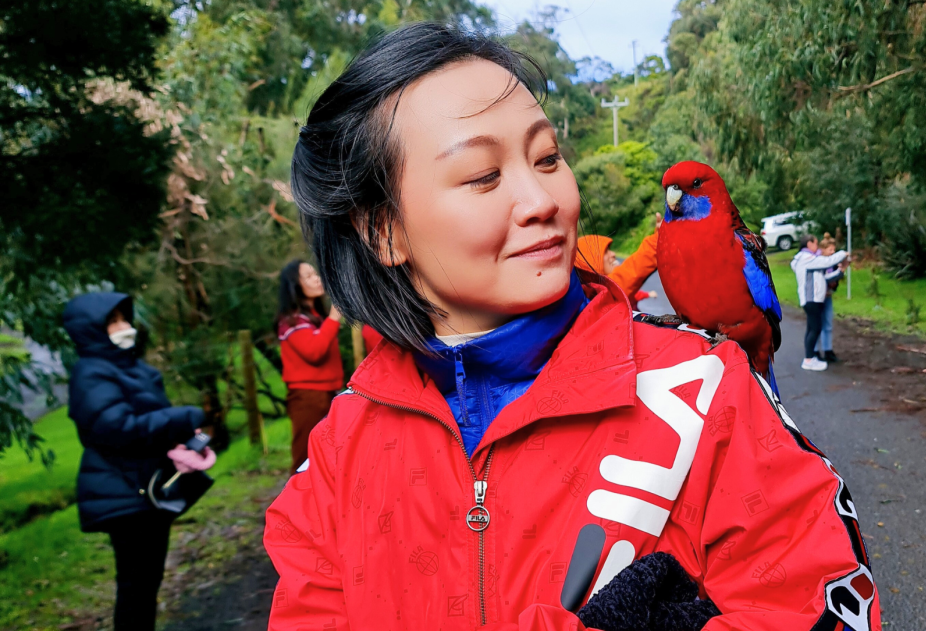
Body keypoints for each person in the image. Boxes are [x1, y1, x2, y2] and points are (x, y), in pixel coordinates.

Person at [265, 23, 881, 631]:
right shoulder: (340, 448)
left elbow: (817, 594)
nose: (544, 200)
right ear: (383, 231)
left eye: (548, 158)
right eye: (483, 175)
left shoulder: (708, 393)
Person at [63, 292, 216, 631]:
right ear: (91, 329)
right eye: (112, 321)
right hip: (124, 492)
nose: (124, 327)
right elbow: (116, 428)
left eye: (124, 318)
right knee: (136, 588)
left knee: (146, 584)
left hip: (143, 489)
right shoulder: (92, 373)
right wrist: (182, 417)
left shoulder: (125, 367)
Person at [276, 259, 346, 472]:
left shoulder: (315, 317)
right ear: (295, 286)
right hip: (307, 397)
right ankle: (295, 493)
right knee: (305, 458)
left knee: (329, 456)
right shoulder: (291, 322)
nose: (317, 279)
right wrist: (333, 318)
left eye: (315, 274)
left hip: (328, 393)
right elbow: (314, 352)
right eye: (308, 276)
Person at [790, 234, 849, 371]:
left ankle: (810, 358)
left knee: (812, 328)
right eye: (815, 243)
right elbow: (827, 262)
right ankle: (809, 360)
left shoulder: (806, 259)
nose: (817, 247)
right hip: (811, 298)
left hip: (813, 298)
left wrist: (841, 270)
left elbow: (824, 277)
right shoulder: (806, 258)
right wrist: (843, 253)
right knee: (815, 328)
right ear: (809, 244)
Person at [574, 217, 660, 309]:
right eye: (605, 251)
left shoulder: (587, 298)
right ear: (589, 260)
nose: (613, 254)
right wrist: (658, 239)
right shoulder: (603, 293)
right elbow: (633, 270)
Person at [814, 234, 845, 362]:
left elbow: (834, 280)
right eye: (830, 250)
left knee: (828, 323)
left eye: (834, 250)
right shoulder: (817, 262)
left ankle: (828, 350)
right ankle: (815, 351)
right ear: (823, 249)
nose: (832, 252)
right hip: (816, 297)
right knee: (816, 324)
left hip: (828, 296)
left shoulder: (833, 263)